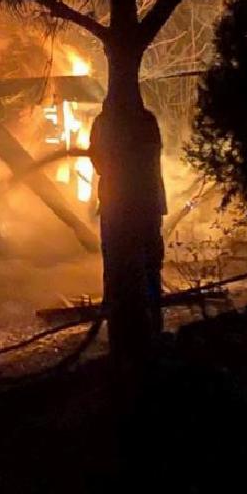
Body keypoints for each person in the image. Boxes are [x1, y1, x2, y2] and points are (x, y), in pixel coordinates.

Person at [89, 99, 167, 354]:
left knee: (117, 269)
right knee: (150, 268)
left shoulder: (103, 123)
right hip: (149, 205)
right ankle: (153, 327)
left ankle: (124, 332)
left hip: (119, 208)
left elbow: (98, 162)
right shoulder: (147, 120)